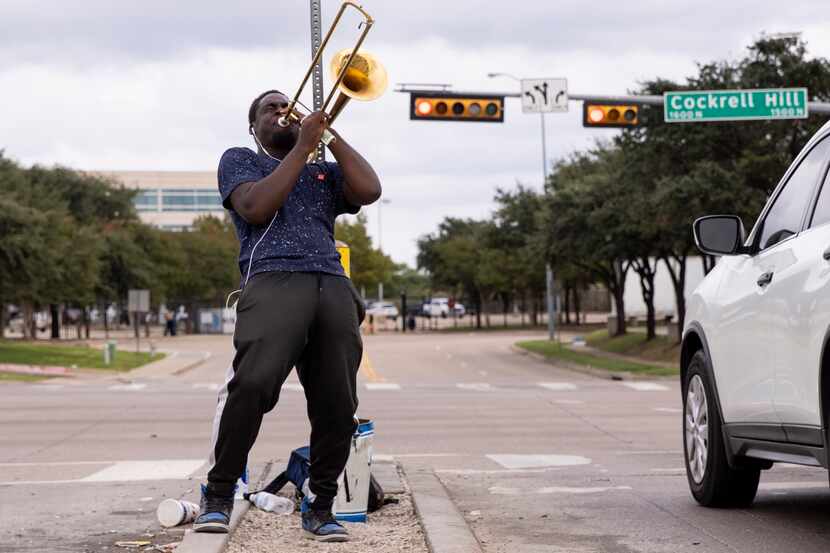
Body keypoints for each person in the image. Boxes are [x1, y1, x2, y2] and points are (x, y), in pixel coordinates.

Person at [193, 90, 379, 542]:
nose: (283, 111)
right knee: (253, 385)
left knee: (338, 402)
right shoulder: (240, 160)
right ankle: (218, 495)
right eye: (270, 109)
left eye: (287, 107)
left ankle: (321, 504)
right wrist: (301, 146)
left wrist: (328, 136)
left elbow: (370, 190)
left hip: (330, 283)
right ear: (252, 126)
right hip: (273, 280)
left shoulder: (322, 171)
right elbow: (256, 207)